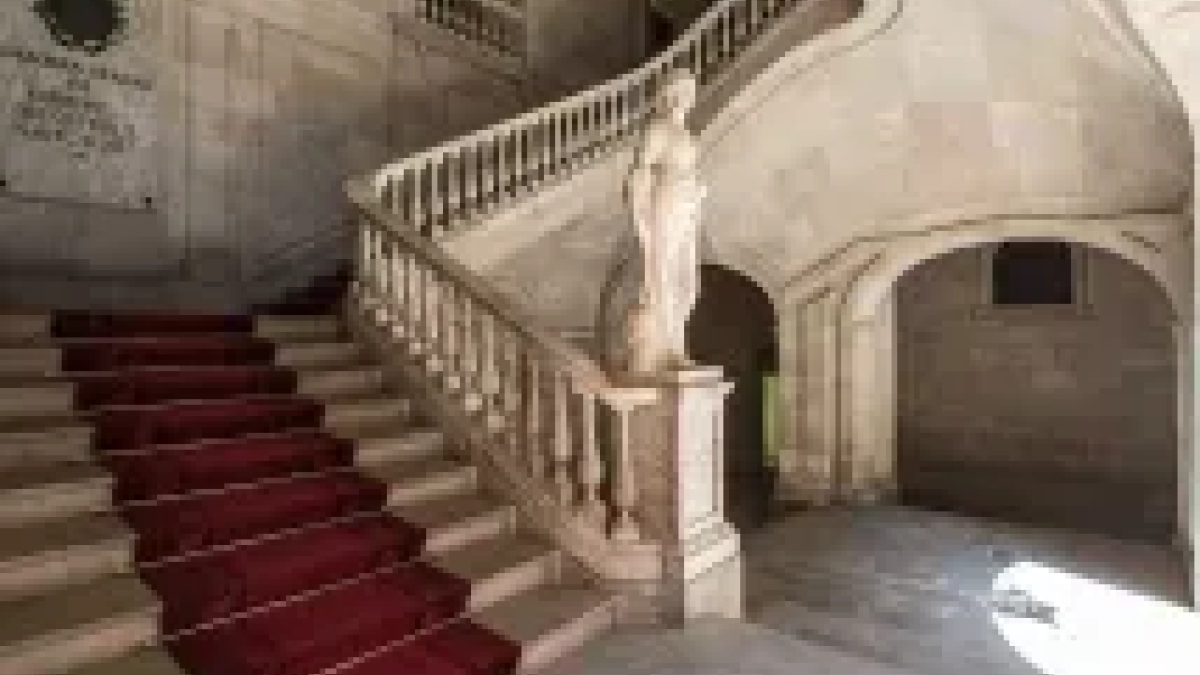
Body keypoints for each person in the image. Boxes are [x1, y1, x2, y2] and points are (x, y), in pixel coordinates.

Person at [624, 69, 705, 373]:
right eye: (679, 90)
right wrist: (639, 211)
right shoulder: (657, 129)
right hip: (667, 200)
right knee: (663, 276)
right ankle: (669, 350)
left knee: (687, 280)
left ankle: (677, 344)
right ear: (668, 95)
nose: (685, 97)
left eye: (689, 91)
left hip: (689, 204)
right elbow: (641, 169)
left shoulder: (687, 135)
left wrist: (697, 195)